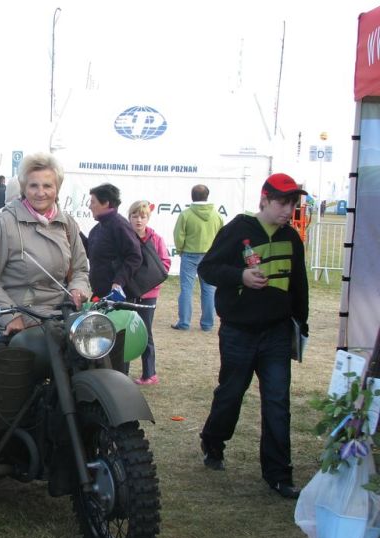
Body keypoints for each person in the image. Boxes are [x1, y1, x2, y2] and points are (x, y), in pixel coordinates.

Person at [197, 173, 309, 500]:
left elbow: (299, 284)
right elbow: (208, 269)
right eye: (282, 203)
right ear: (264, 199)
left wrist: (300, 324)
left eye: (292, 204)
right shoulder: (237, 230)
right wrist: (241, 276)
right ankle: (213, 442)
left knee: (277, 402)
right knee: (231, 393)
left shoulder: (292, 238)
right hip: (239, 333)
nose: (288, 210)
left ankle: (278, 473)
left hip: (276, 333)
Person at [0, 152, 90, 335]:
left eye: (47, 186)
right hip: (23, 317)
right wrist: (10, 315)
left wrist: (77, 288)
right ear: (24, 188)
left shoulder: (67, 224)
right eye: (33, 185)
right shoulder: (5, 223)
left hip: (63, 315)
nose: (40, 192)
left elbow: (80, 269)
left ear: (57, 188)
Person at [127, 201, 171, 385]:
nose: (138, 220)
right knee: (126, 333)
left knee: (145, 333)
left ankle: (149, 373)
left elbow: (165, 264)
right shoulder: (124, 237)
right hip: (128, 292)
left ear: (148, 218)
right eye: (135, 216)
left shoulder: (156, 239)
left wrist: (148, 280)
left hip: (148, 294)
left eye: (142, 216)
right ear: (129, 217)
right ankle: (122, 372)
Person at [172, 184, 223, 331]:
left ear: (192, 196)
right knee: (209, 289)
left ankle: (184, 322)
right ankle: (207, 324)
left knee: (186, 289)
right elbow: (221, 236)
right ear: (208, 195)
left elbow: (179, 235)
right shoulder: (216, 215)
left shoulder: (186, 214)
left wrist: (181, 249)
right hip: (210, 256)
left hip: (189, 254)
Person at [85, 183, 142, 300]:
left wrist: (118, 282)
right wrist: (75, 232)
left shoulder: (119, 225)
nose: (89, 206)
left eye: (93, 202)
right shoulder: (97, 229)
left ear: (105, 203)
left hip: (116, 297)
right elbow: (92, 254)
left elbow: (135, 256)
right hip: (100, 294)